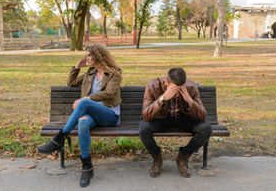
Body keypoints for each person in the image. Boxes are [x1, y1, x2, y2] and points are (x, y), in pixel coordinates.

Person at [37, 44, 122, 187]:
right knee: (82, 122)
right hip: (91, 114)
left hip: (109, 114)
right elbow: (70, 83)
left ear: (98, 56)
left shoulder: (114, 72)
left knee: (83, 103)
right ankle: (87, 167)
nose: (86, 58)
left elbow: (110, 93)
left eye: (89, 55)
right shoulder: (89, 74)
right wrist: (77, 67)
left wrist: (86, 99)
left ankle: (59, 138)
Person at [139, 67, 212, 178]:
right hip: (161, 119)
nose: (177, 94)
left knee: (206, 128)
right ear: (166, 82)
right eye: (174, 90)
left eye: (180, 90)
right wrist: (162, 98)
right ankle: (157, 158)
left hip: (182, 119)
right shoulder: (153, 85)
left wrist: (189, 100)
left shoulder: (191, 87)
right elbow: (146, 115)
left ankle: (183, 157)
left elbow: (202, 116)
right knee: (143, 128)